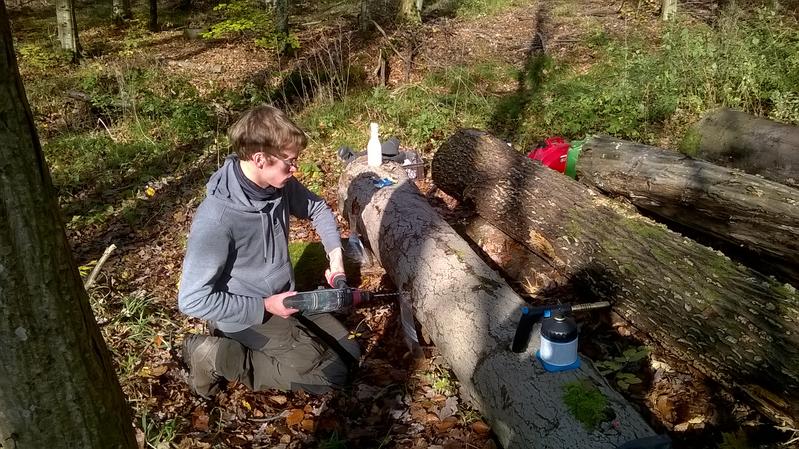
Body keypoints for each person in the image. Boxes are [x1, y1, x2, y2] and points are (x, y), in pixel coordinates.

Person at [178, 105, 360, 397]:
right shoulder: (216, 220)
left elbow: (317, 208)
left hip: (284, 298)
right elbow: (191, 299)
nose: (295, 169)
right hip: (245, 312)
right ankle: (213, 354)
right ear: (259, 159)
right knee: (332, 374)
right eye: (289, 161)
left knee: (350, 352)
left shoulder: (276, 185)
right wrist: (264, 306)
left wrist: (336, 259)